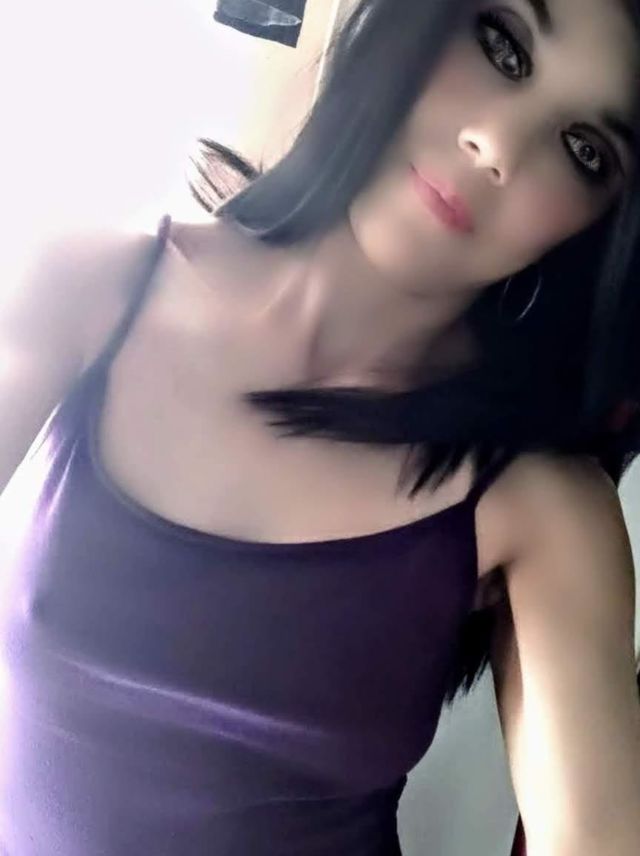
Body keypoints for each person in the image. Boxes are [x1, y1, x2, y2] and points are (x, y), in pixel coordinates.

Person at [1, 0, 640, 853]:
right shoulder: (85, 283)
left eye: (585, 150)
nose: (496, 145)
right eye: (502, 47)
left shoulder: (538, 507)